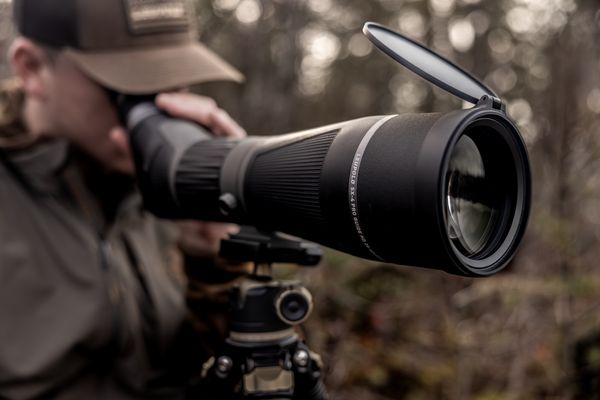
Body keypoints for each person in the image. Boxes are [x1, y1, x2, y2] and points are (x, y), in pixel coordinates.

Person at [0, 0, 249, 398]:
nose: (164, 111)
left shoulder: (164, 183)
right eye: (136, 89)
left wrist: (216, 263)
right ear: (32, 69)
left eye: (178, 81)